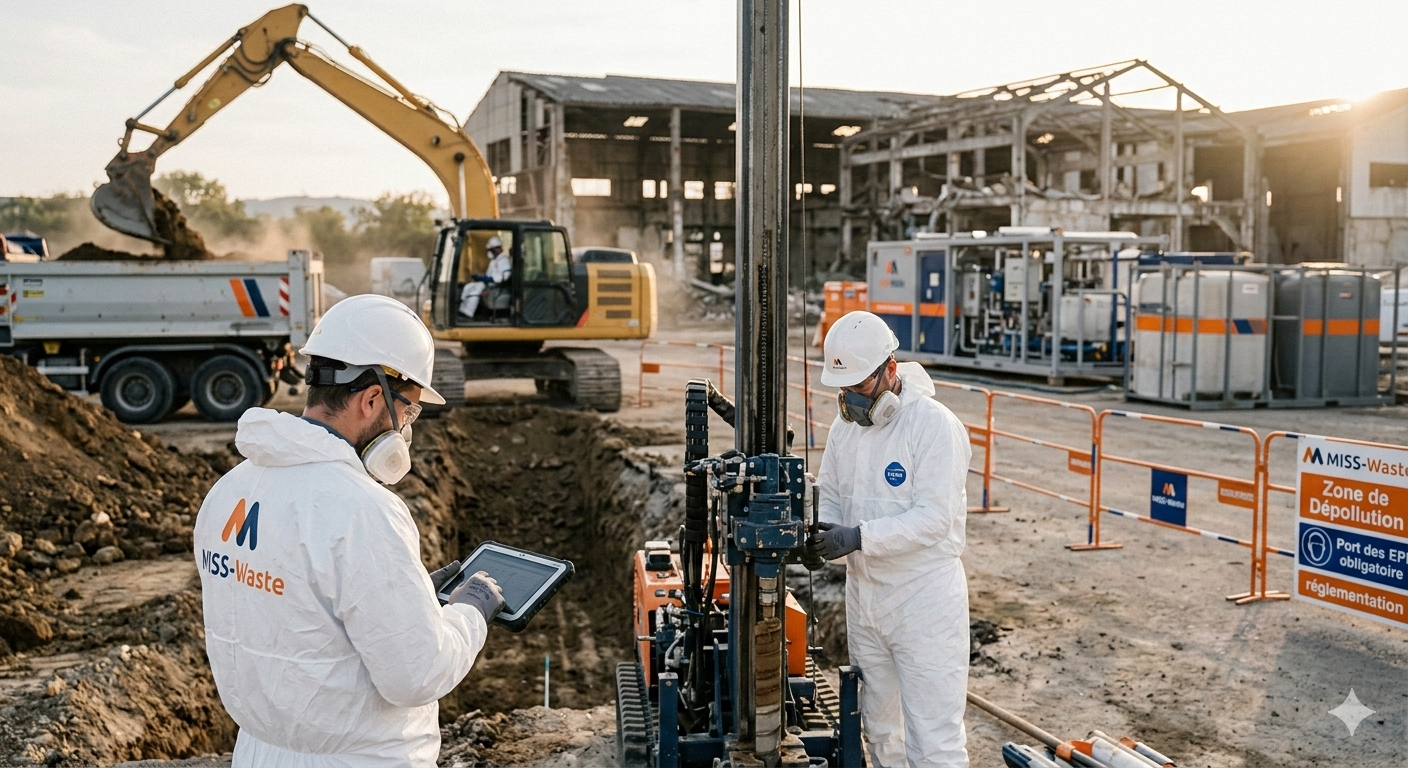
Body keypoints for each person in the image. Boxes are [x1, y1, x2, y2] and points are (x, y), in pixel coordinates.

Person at [193, 294, 506, 767]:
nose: (405, 429)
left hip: (260, 754)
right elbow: (415, 674)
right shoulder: (362, 510)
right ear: (373, 398)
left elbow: (301, 614)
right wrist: (469, 612)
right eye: (410, 411)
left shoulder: (229, 491)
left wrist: (412, 596)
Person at [808, 310, 972, 768]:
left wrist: (858, 537)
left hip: (924, 604)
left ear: (890, 370)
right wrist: (818, 535)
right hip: (866, 601)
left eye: (860, 387)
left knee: (933, 740)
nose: (852, 400)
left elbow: (935, 519)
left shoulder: (934, 426)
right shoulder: (845, 429)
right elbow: (833, 499)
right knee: (881, 733)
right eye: (844, 389)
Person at [459, 235, 512, 319]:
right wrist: (481, 277)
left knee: (475, 292)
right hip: (488, 283)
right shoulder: (495, 260)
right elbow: (489, 273)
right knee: (468, 287)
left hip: (495, 286)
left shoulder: (503, 261)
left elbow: (504, 277)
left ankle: (468, 314)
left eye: (495, 248)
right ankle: (461, 309)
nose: (493, 251)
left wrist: (487, 279)